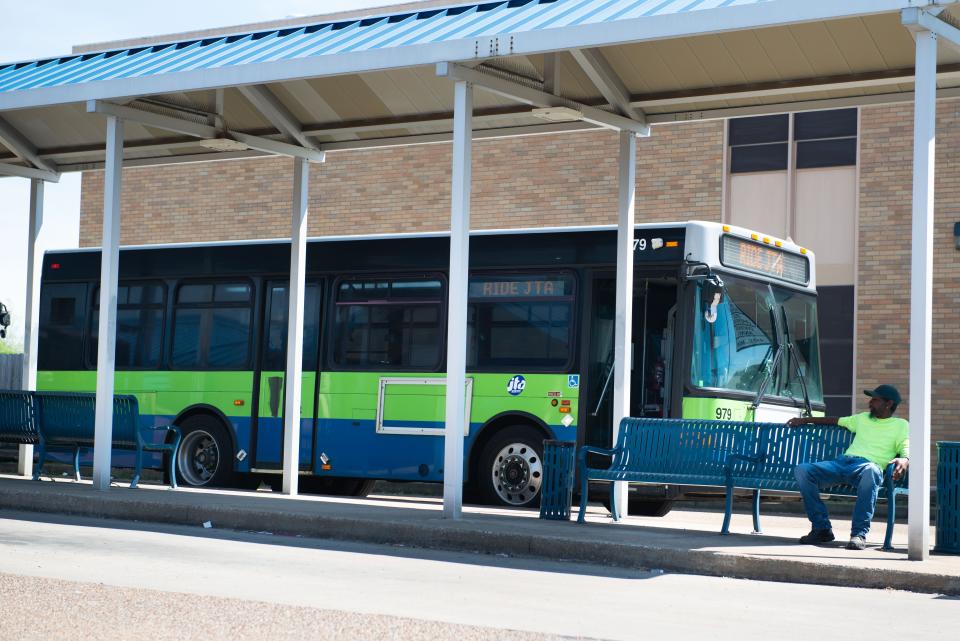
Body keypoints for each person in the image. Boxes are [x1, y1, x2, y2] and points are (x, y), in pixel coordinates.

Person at [786, 384, 909, 550]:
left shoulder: (901, 425)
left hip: (867, 468)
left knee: (871, 471)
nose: (870, 402)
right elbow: (835, 420)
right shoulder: (862, 418)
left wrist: (905, 459)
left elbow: (905, 446)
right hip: (842, 463)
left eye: (875, 399)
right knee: (803, 470)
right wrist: (805, 420)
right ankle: (821, 528)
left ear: (888, 404)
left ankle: (858, 534)